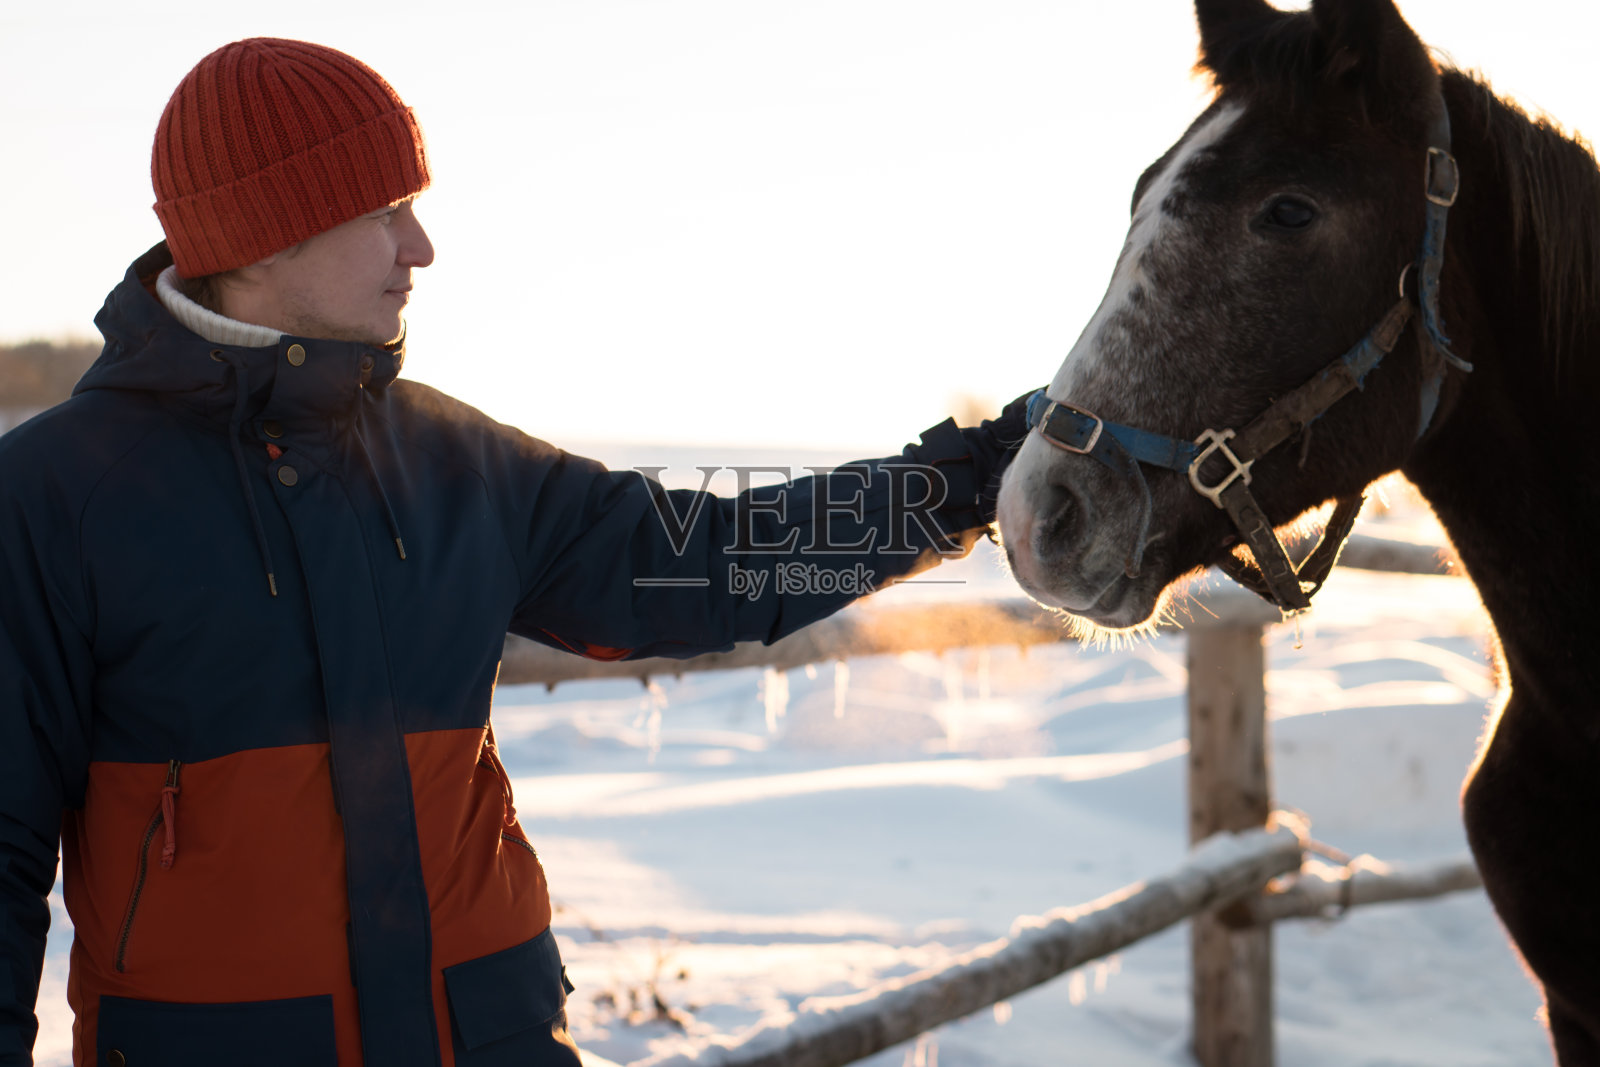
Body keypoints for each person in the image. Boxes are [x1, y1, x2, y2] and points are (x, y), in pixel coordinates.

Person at [0, 38, 1031, 1067]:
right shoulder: (59, 495)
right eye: (385, 211)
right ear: (270, 235)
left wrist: (979, 474)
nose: (422, 248)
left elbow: (717, 560)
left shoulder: (451, 458)